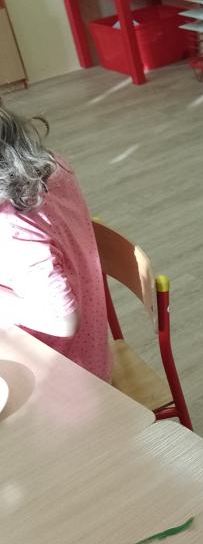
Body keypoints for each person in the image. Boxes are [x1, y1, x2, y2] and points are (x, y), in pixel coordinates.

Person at [0, 105, 110, 380]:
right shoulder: (53, 167)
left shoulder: (14, 227)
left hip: (66, 375)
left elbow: (64, 321)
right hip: (94, 350)